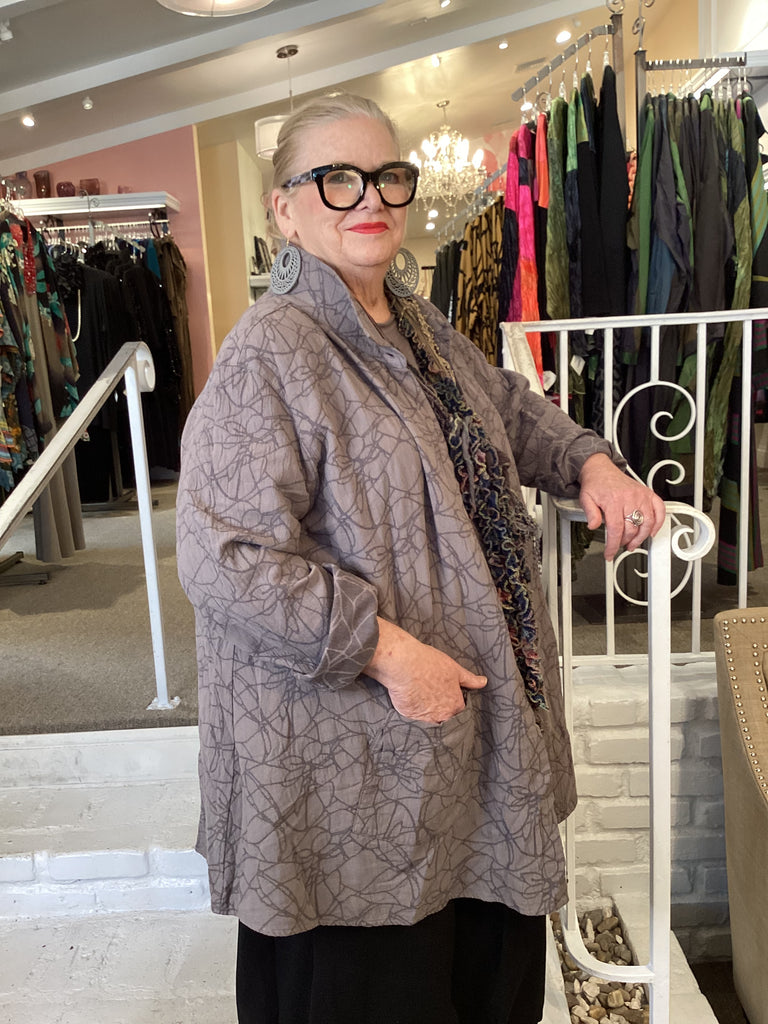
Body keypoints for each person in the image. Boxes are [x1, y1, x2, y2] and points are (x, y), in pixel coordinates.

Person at [176, 93, 666, 1024]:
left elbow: (506, 409)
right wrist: (388, 654)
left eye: (387, 176)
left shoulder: (416, 324)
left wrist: (590, 462)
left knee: (479, 966)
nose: (370, 197)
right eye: (337, 178)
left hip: (463, 732)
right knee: (380, 984)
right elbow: (224, 556)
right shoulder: (271, 350)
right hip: (357, 760)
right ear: (284, 208)